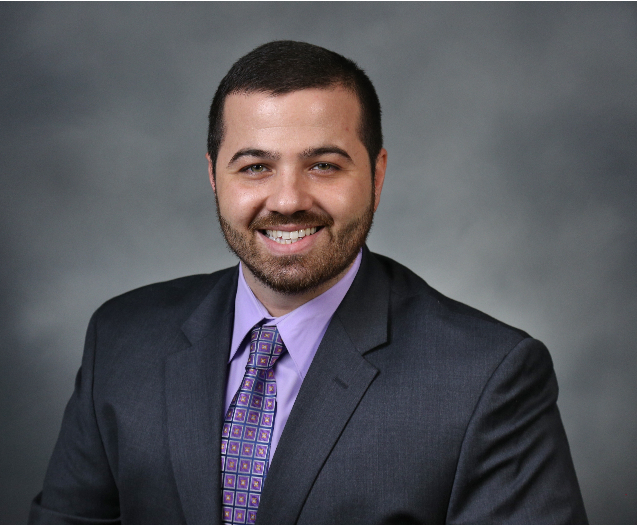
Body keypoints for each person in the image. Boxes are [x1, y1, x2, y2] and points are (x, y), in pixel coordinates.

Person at [29, 41, 588, 525]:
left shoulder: (489, 377)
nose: (289, 200)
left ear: (377, 173)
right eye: (254, 166)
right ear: (212, 176)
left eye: (323, 164)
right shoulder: (122, 338)